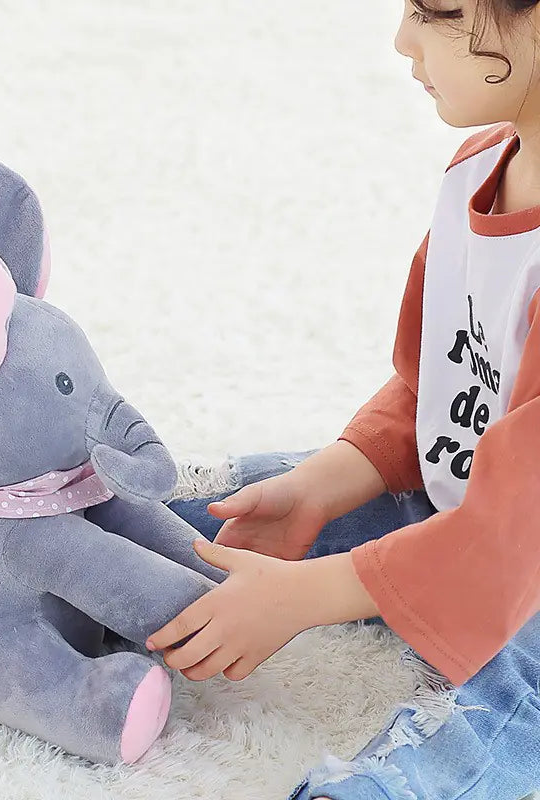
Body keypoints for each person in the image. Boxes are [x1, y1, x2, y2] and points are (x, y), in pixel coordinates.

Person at [146, 2, 540, 797]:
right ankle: (30, 517)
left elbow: (514, 537)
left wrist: (307, 598)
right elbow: (436, 387)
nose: (402, 40)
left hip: (524, 551)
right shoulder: (477, 170)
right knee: (217, 510)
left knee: (511, 705)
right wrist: (321, 487)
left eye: (436, 10)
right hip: (473, 509)